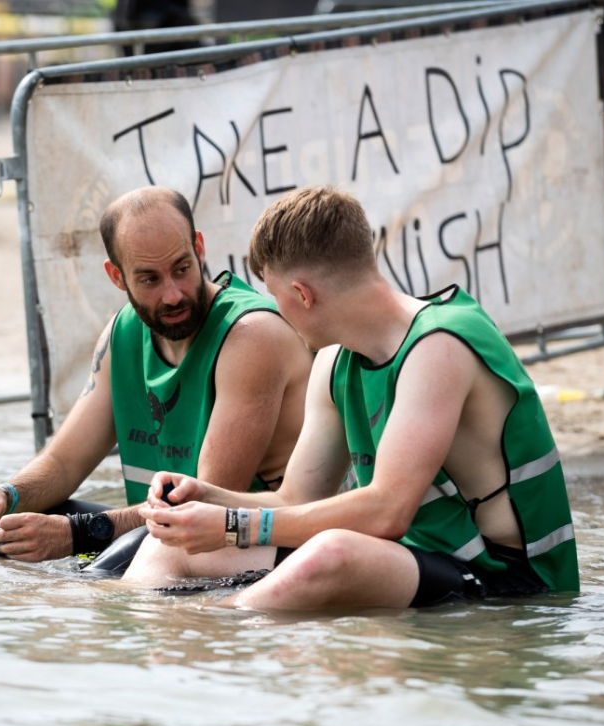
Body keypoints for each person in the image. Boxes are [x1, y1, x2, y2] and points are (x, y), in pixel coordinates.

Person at [124, 185, 580, 609]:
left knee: (330, 553)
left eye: (275, 296)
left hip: (511, 583)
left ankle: (216, 631)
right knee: (167, 550)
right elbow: (295, 500)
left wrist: (233, 527)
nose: (275, 309)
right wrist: (208, 498)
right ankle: (170, 655)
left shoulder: (439, 347)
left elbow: (387, 512)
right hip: (408, 558)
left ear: (302, 295)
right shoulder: (332, 360)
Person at [0, 186, 312, 569]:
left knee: (107, 568)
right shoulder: (123, 333)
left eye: (182, 268)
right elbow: (63, 464)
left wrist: (77, 534)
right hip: (164, 531)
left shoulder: (252, 336)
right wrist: (6, 495)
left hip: (267, 540)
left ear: (199, 249)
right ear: (116, 276)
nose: (172, 294)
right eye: (149, 279)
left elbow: (203, 505)